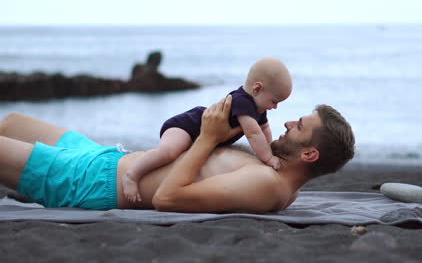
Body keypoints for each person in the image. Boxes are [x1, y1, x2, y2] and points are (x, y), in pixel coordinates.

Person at [0, 95, 355, 213]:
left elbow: (167, 198)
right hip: (108, 157)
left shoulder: (267, 185)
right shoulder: (280, 180)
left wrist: (208, 138)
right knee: (12, 121)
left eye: (301, 126)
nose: (289, 121)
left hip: (89, 181)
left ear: (309, 154)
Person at [122, 57, 292, 203]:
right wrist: (268, 158)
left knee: (181, 156)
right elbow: (254, 134)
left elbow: (264, 129)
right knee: (168, 152)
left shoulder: (259, 108)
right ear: (257, 89)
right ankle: (132, 175)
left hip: (201, 135)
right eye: (274, 101)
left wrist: (269, 149)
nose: (275, 107)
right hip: (186, 126)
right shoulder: (243, 101)